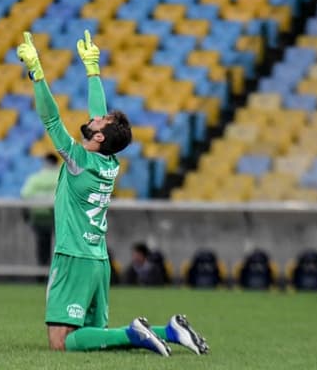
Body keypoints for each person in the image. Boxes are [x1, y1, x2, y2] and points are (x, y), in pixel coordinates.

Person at [17, 29, 209, 356]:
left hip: (74, 256)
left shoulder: (79, 160)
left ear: (100, 138)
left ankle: (136, 335)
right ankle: (170, 331)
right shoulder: (110, 163)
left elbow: (51, 120)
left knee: (60, 343)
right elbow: (101, 115)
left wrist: (36, 74)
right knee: (96, 334)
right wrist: (93, 71)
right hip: (99, 260)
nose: (93, 117)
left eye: (99, 122)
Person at [21, 153, 60, 266]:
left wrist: (26, 216)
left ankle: (42, 271)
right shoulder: (61, 176)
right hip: (58, 215)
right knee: (62, 245)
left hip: (39, 215)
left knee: (43, 245)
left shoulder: (35, 178)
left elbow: (25, 195)